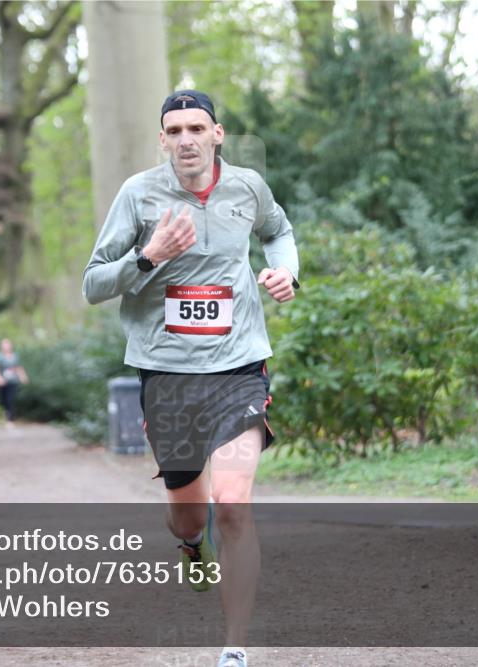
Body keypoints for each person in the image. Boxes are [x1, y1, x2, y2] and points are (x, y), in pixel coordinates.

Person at [83, 90, 298, 667]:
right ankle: (188, 542)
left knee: (233, 503)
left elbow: (278, 231)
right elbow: (93, 283)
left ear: (217, 133)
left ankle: (234, 648)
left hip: (239, 366)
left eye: (195, 128)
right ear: (162, 139)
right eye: (174, 130)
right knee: (190, 511)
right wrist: (148, 257)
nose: (185, 139)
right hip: (167, 372)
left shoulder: (248, 187)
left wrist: (286, 273)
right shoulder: (138, 194)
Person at [0, 338, 28, 428]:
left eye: (8, 344)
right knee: (4, 400)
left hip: (13, 381)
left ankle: (10, 420)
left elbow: (18, 367)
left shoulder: (15, 356)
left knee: (11, 399)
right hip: (2, 382)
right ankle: (6, 415)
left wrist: (23, 376)